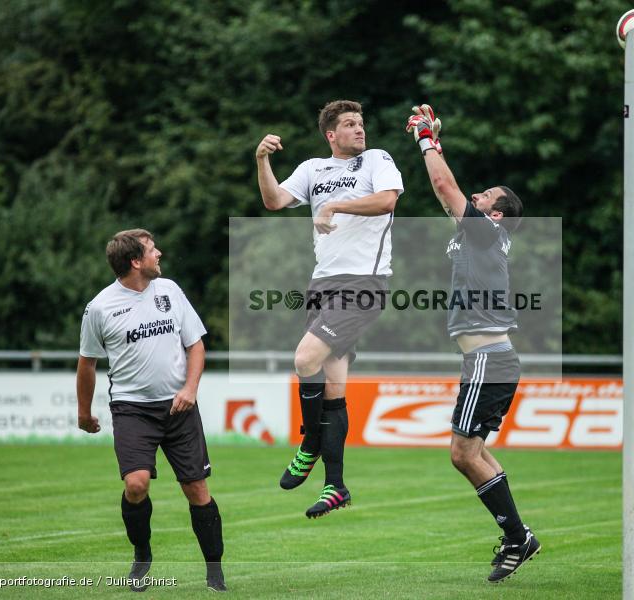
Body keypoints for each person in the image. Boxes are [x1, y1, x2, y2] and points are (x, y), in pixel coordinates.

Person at [406, 104, 540, 583]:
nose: (475, 196)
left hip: (488, 359)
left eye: (485, 196)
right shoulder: (482, 235)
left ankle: (518, 536)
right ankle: (519, 535)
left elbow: (447, 189)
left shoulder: (486, 233)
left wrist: (426, 140)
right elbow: (447, 194)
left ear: (495, 213)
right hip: (488, 360)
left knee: (463, 454)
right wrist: (436, 146)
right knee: (474, 453)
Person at [256, 100, 403, 518]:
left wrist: (335, 205)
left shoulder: (376, 159)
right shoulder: (312, 168)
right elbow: (274, 200)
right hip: (322, 283)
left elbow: (387, 201)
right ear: (331, 135)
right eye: (350, 124)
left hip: (363, 283)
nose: (359, 129)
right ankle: (335, 486)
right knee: (334, 388)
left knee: (305, 359)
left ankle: (309, 443)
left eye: (361, 122)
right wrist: (262, 160)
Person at [76, 229, 226, 592]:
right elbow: (87, 363)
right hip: (132, 410)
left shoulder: (170, 290)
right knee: (136, 484)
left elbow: (196, 346)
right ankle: (142, 553)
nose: (159, 253)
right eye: (151, 249)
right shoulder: (100, 308)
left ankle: (214, 572)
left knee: (197, 489)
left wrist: (190, 389)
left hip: (179, 408)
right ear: (135, 261)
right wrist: (84, 412)